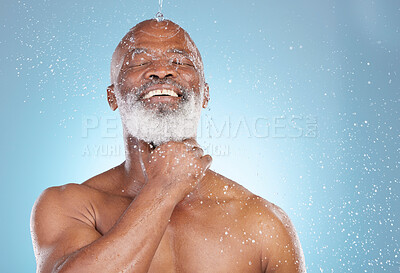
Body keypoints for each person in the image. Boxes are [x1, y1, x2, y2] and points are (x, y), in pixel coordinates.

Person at [30, 19, 306, 273]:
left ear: (205, 94)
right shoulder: (71, 206)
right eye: (139, 62)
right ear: (112, 97)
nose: (162, 70)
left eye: (180, 61)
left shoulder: (262, 222)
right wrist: (163, 189)